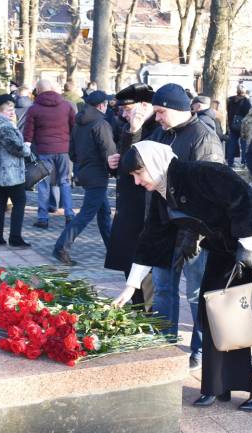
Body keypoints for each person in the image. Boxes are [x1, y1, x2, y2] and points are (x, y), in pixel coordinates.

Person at [112, 141, 252, 412]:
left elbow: (242, 199)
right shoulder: (162, 192)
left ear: (153, 164)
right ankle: (219, 385)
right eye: (133, 176)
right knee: (216, 313)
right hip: (224, 248)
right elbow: (152, 239)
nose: (137, 181)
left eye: (138, 173)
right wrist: (131, 285)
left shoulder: (201, 172)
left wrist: (246, 246)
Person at [144, 83, 224, 368]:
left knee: (196, 292)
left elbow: (213, 191)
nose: (157, 118)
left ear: (178, 109)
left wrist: (197, 233)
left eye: (161, 111)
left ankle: (200, 349)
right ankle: (165, 344)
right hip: (165, 227)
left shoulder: (204, 138)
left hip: (195, 232)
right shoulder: (162, 135)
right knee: (164, 288)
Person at [105, 83, 157, 307]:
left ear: (144, 106)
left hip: (145, 203)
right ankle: (136, 304)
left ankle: (146, 309)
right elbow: (125, 162)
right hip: (128, 203)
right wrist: (112, 164)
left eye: (128, 109)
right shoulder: (130, 126)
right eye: (123, 111)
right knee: (129, 257)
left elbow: (140, 161)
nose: (124, 115)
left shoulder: (157, 128)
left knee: (144, 259)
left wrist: (134, 130)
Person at [53, 91, 116, 265]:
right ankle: (61, 247)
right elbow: (110, 152)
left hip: (85, 172)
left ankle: (113, 250)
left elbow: (72, 152)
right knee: (86, 215)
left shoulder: (79, 123)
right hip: (97, 175)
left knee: (104, 213)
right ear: (102, 105)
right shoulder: (101, 124)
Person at [23, 79, 76, 229]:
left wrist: (27, 145)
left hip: (44, 151)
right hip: (64, 150)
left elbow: (28, 132)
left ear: (38, 91)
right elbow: (74, 127)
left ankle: (43, 218)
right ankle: (69, 215)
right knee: (65, 182)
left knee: (44, 184)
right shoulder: (66, 105)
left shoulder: (34, 109)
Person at [0, 94, 32, 248]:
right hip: (9, 173)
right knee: (19, 201)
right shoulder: (4, 126)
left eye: (12, 109)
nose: (12, 113)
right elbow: (17, 148)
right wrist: (27, 148)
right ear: (0, 110)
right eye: (9, 110)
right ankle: (15, 238)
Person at [226, 84, 252, 167]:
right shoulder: (246, 101)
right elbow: (249, 114)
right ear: (244, 91)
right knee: (244, 145)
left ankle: (230, 162)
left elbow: (229, 111)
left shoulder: (230, 100)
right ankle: (244, 162)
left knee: (232, 144)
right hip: (243, 126)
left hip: (232, 125)